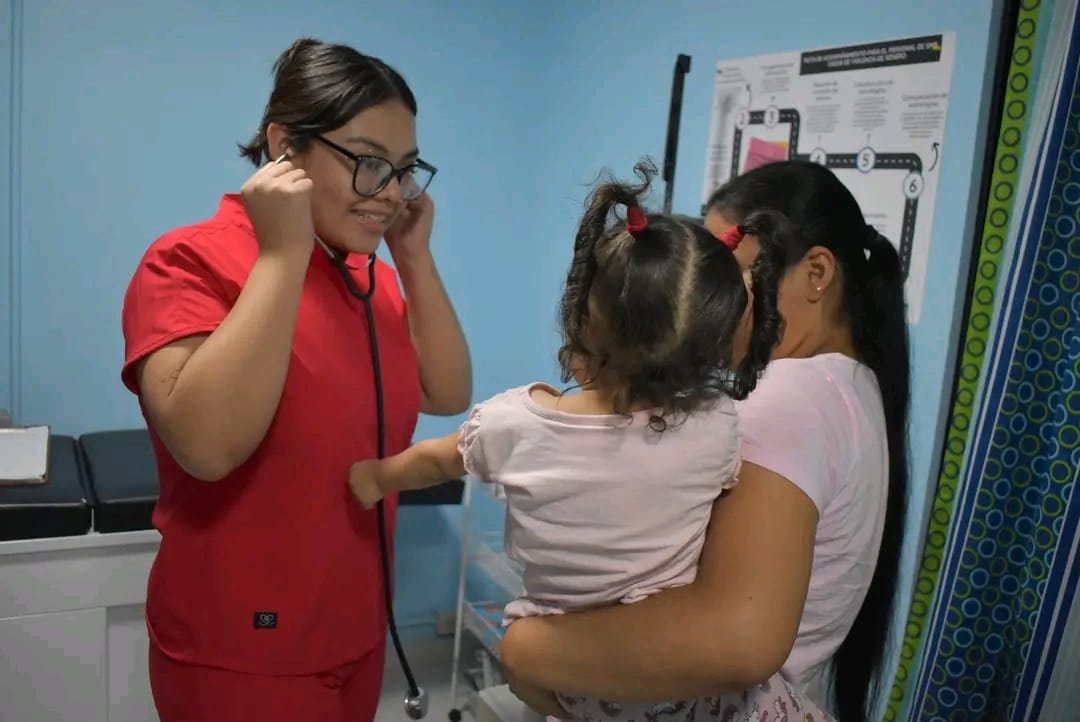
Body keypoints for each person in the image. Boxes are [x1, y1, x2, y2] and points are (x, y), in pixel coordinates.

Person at [348, 160, 830, 720]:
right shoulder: (718, 426)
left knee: (526, 675)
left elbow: (435, 460)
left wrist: (375, 477)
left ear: (578, 319)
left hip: (572, 670)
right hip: (671, 673)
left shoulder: (514, 425)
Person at [119, 38, 471, 722]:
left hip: (357, 632)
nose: (390, 193)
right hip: (241, 655)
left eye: (403, 170)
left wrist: (415, 259)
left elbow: (446, 392)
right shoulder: (187, 262)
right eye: (368, 163)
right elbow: (208, 446)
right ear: (286, 148)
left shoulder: (369, 275)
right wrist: (281, 254)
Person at [496, 160, 911, 722]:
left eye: (738, 281)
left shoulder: (786, 396)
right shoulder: (851, 388)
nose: (708, 311)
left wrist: (526, 649)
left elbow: (738, 637)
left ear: (816, 273)